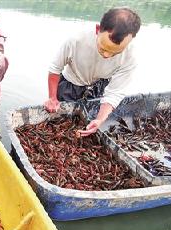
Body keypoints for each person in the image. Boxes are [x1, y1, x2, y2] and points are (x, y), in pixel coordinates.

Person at [44, 7, 141, 137]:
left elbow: (115, 92)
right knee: (58, 123)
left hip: (99, 86)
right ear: (97, 29)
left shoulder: (130, 56)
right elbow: (55, 68)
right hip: (71, 83)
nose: (107, 55)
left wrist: (100, 119)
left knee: (89, 124)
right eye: (103, 47)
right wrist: (52, 98)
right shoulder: (76, 40)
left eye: (115, 52)